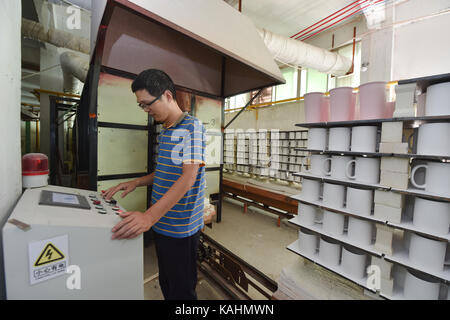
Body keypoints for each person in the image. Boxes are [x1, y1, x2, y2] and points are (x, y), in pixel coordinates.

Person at [103, 69, 206, 300]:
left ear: (168, 96)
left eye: (147, 104)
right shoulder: (166, 130)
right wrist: (135, 182)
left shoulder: (193, 127)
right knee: (167, 281)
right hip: (162, 223)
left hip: (181, 228)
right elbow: (163, 172)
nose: (146, 110)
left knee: (182, 290)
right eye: (141, 106)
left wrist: (148, 217)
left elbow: (188, 177)